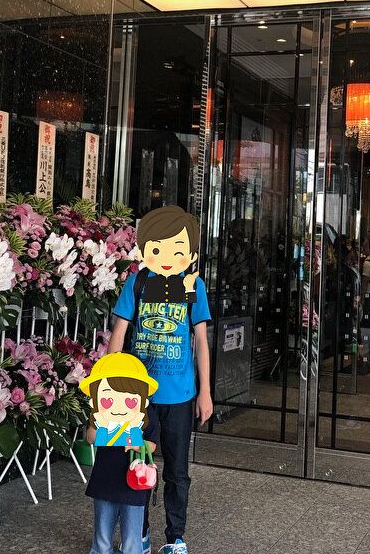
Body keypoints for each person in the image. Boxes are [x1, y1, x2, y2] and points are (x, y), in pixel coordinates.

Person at [109, 206, 212, 554]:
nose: (167, 257)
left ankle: (175, 538)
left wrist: (205, 392)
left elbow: (201, 341)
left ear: (190, 253)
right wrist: (109, 383)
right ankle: (139, 533)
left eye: (176, 249)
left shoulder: (193, 285)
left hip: (180, 395)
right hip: (137, 397)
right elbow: (119, 333)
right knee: (136, 464)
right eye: (158, 248)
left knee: (177, 472)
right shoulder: (137, 282)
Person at [81, 353, 160, 554]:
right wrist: (102, 424)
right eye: (108, 399)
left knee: (132, 532)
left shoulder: (147, 414)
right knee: (102, 527)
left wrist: (134, 443)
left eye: (130, 400)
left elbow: (152, 446)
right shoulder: (99, 413)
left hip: (134, 481)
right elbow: (90, 437)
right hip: (105, 478)